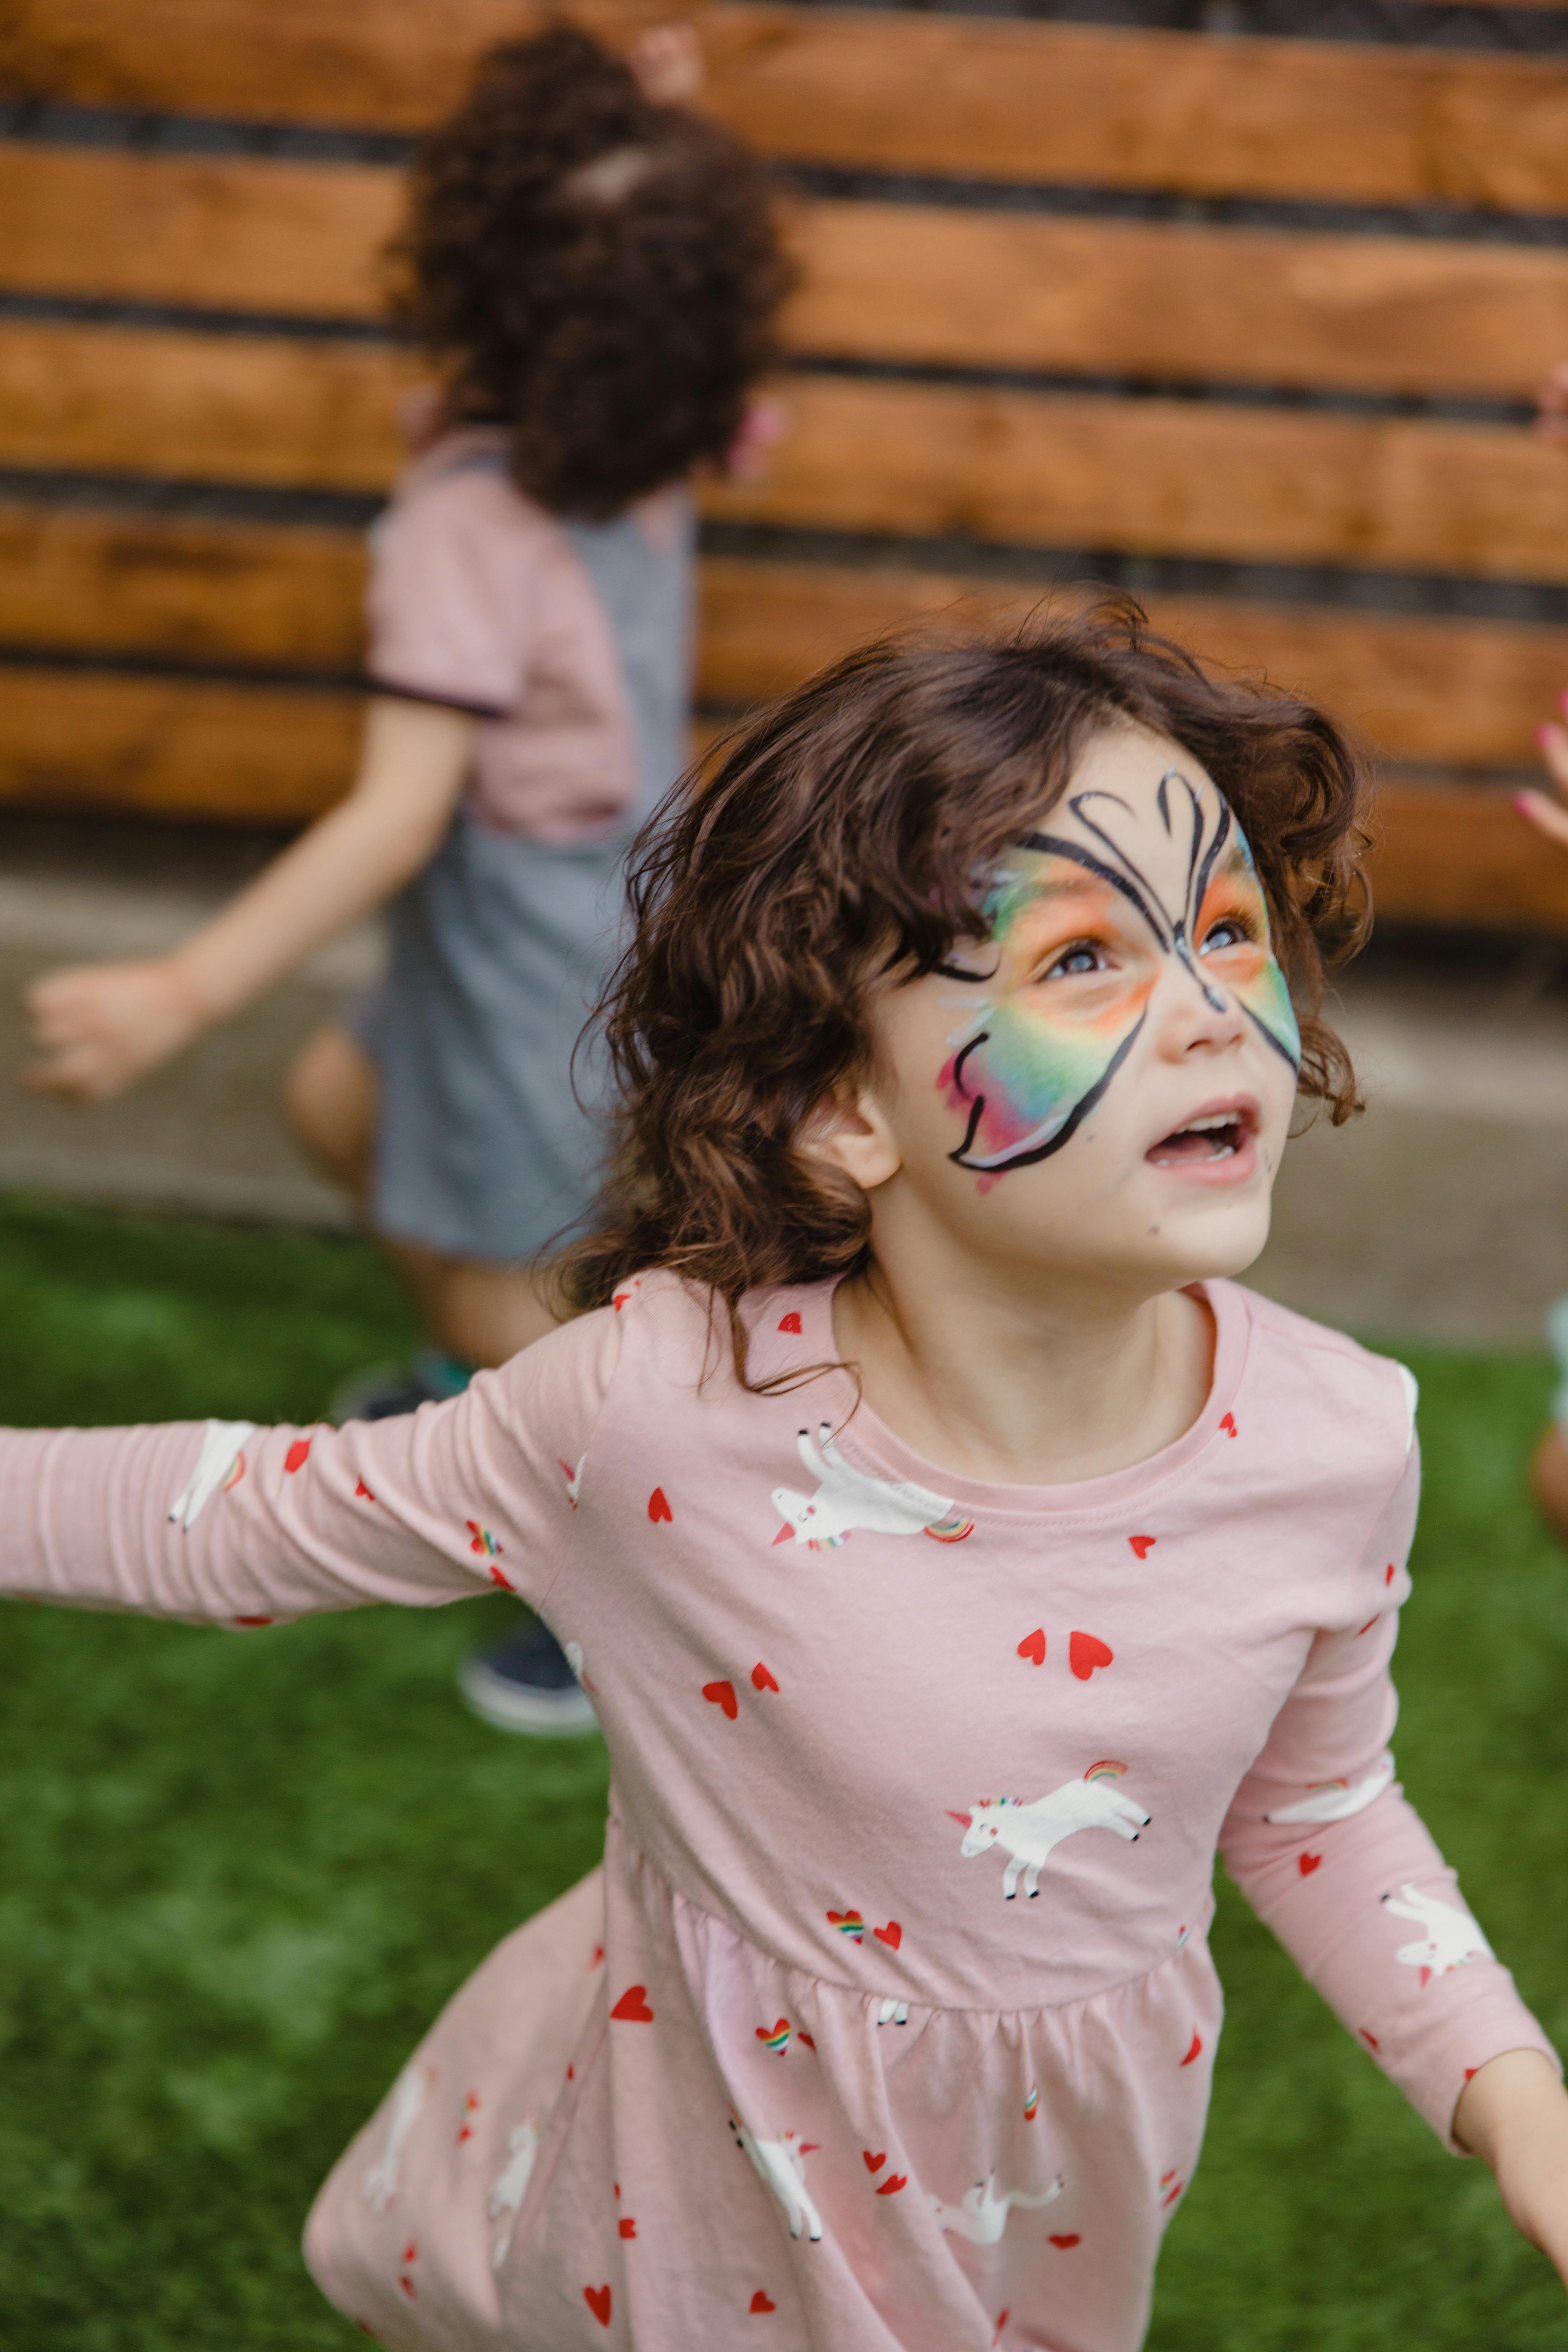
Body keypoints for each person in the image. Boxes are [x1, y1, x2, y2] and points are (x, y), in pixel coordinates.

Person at [7, 606, 1568, 2351]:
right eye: (1079, 961)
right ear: (844, 1109)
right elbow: (258, 1510)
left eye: (1223, 929)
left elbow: (1313, 1806)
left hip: (1050, 2211)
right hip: (692, 2211)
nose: (1213, 1013)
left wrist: (1516, 2098)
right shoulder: (663, 1413)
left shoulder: (1340, 1442)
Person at [18, 22, 790, 1735]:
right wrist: (667, 133)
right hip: (558, 894)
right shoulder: (671, 423)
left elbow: (393, 811)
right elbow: (642, 265)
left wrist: (178, 987)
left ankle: (622, 1599)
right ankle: (471, 1395)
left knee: (505, 1284)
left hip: (532, 927)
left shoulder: (472, 523)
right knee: (336, 1101)